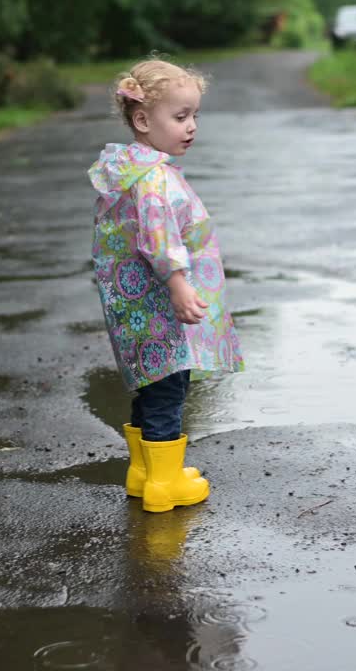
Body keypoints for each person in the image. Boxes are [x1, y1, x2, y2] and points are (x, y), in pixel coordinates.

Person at [88, 58, 244, 513]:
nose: (191, 126)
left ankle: (142, 471)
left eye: (194, 115)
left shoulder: (135, 169)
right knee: (169, 388)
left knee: (151, 385)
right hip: (159, 305)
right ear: (142, 119)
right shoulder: (153, 179)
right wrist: (178, 284)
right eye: (180, 117)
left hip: (137, 304)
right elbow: (159, 239)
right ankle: (163, 482)